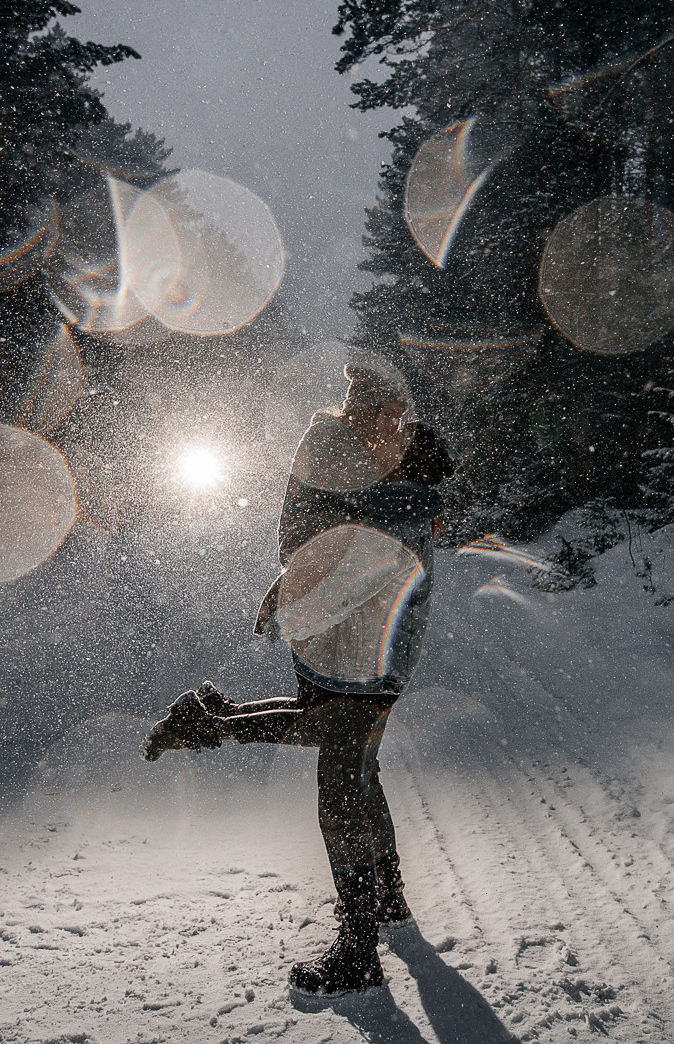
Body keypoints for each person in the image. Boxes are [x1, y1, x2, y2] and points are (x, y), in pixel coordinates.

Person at [141, 362, 454, 997]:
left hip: (376, 644)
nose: (381, 424)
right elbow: (305, 543)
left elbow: (372, 553)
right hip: (341, 640)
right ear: (353, 408)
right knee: (352, 764)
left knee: (343, 781)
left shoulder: (409, 461)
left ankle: (360, 946)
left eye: (389, 414)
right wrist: (296, 590)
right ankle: (384, 900)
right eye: (370, 412)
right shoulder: (345, 454)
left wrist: (302, 585)